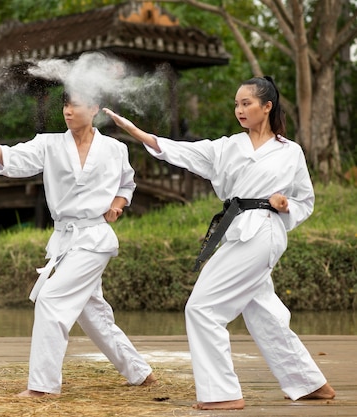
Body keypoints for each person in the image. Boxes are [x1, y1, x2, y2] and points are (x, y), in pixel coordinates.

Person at [103, 76, 335, 410]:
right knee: (262, 311)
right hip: (238, 230)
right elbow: (178, 150)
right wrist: (137, 133)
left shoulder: (290, 151)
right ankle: (311, 383)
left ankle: (222, 393)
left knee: (202, 309)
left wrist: (287, 205)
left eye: (247, 103)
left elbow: (305, 200)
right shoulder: (227, 147)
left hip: (264, 231)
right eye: (237, 104)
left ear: (267, 106)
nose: (239, 110)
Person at [0, 90, 156, 397]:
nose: (68, 111)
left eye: (75, 105)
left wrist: (117, 203)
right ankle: (141, 374)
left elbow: (126, 183)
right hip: (64, 239)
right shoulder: (48, 143)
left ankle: (44, 387)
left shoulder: (114, 148)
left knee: (51, 300)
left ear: (94, 108)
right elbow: (12, 160)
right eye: (65, 105)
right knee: (93, 315)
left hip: (94, 238)